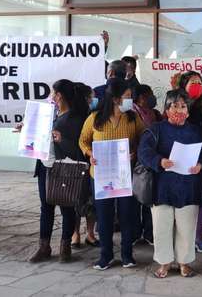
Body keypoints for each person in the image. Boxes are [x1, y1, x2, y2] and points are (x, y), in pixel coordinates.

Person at [79, 78, 145, 270]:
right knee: (104, 216)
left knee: (126, 215)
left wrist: (136, 151)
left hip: (124, 174)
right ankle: (105, 255)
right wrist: (90, 155)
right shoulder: (95, 118)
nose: (130, 100)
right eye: (127, 97)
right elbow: (83, 141)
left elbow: (145, 137)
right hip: (100, 175)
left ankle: (127, 255)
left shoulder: (133, 118)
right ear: (115, 99)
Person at [138, 89, 202, 278]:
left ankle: (184, 262)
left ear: (189, 111)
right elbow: (144, 152)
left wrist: (201, 164)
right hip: (162, 188)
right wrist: (159, 161)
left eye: (183, 106)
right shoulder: (156, 129)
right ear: (166, 109)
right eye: (174, 106)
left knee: (186, 227)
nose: (179, 110)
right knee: (162, 227)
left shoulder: (195, 131)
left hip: (188, 187)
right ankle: (164, 263)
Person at [29, 79, 90, 263]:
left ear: (59, 96)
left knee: (67, 207)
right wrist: (27, 130)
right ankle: (44, 246)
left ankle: (65, 248)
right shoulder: (53, 115)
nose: (51, 97)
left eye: (53, 94)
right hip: (45, 167)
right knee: (46, 207)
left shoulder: (76, 119)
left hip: (65, 170)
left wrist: (61, 139)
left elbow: (79, 150)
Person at [178, 71, 202, 253]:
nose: (196, 85)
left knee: (199, 198)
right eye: (192, 82)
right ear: (183, 85)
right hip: (179, 157)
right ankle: (182, 236)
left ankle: (198, 236)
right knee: (182, 198)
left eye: (199, 82)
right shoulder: (176, 104)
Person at [131, 84, 162, 246]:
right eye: (148, 95)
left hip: (153, 161)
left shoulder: (155, 114)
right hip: (135, 162)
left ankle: (149, 233)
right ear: (140, 97)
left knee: (150, 197)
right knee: (137, 197)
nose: (152, 98)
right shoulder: (132, 113)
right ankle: (136, 232)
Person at [70, 83, 100, 249]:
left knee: (91, 200)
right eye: (91, 97)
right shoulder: (73, 116)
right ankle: (75, 234)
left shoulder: (94, 115)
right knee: (75, 200)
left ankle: (90, 233)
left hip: (93, 164)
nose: (94, 100)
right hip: (76, 164)